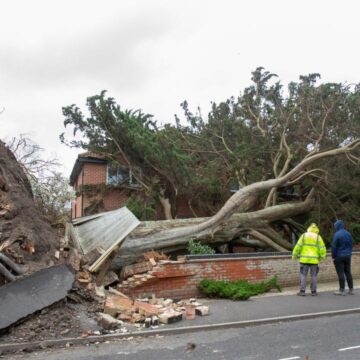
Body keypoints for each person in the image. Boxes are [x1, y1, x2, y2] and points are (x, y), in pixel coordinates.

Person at [292, 223, 326, 296]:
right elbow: (322, 249)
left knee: (303, 275)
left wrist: (294, 255)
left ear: (309, 228)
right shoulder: (318, 237)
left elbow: (298, 246)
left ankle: (302, 291)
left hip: (304, 260)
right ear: (316, 229)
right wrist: (321, 257)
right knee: (314, 276)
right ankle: (313, 292)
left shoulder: (304, 236)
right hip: (314, 260)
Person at [332, 220, 354, 295]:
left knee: (340, 273)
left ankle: (342, 290)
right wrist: (349, 253)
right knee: (348, 272)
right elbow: (351, 244)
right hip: (348, 256)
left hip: (339, 256)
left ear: (337, 226)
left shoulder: (337, 234)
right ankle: (351, 289)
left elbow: (334, 246)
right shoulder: (348, 234)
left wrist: (333, 256)